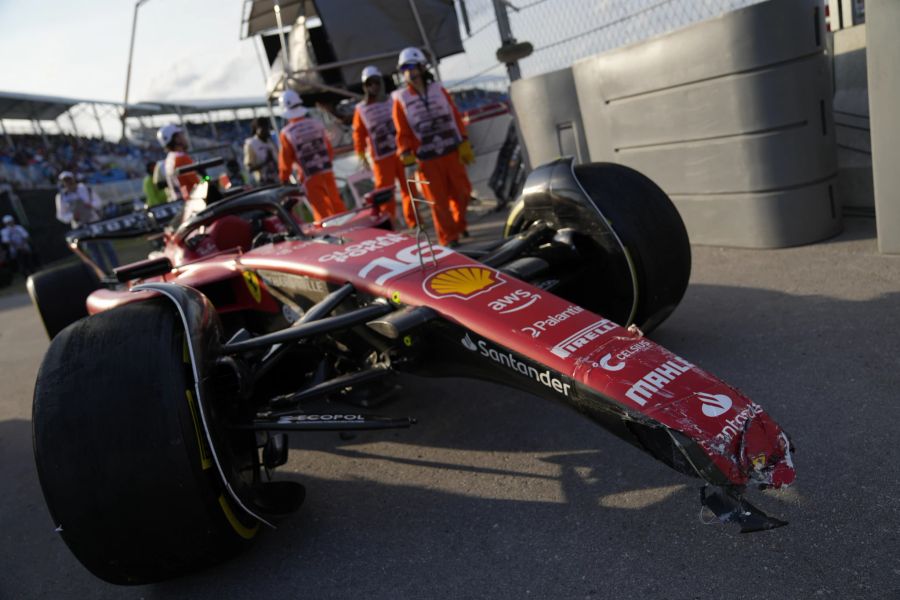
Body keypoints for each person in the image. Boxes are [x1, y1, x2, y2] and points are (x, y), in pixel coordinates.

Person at [392, 47, 475, 247]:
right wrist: (407, 155)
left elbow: (454, 115)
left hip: (451, 152)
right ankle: (449, 238)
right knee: (438, 202)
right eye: (404, 69)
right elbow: (401, 131)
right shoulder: (401, 99)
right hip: (427, 158)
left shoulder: (439, 90)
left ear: (421, 67)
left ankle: (459, 224)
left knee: (463, 192)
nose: (409, 72)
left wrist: (463, 140)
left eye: (412, 67)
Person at [352, 65, 413, 227]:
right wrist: (360, 154)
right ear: (365, 87)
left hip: (401, 152)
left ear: (381, 83)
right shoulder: (361, 109)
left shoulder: (393, 100)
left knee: (410, 187)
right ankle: (389, 225)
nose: (374, 87)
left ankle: (413, 221)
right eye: (370, 84)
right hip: (381, 158)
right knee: (385, 194)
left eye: (376, 82)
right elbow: (358, 134)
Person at [277, 90, 347, 221]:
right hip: (326, 171)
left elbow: (285, 161)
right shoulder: (316, 124)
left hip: (309, 177)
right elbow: (329, 150)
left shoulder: (287, 133)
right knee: (336, 203)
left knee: (322, 212)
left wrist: (284, 179)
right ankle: (352, 231)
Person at [55, 171, 118, 271]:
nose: (68, 182)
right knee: (94, 253)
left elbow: (98, 202)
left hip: (95, 222)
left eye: (69, 179)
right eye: (65, 181)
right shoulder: (61, 197)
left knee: (108, 247)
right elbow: (61, 215)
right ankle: (104, 275)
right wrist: (72, 216)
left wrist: (91, 205)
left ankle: (117, 270)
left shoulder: (85, 189)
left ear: (73, 179)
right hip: (80, 226)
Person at [157, 124, 200, 201]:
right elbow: (199, 184)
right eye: (181, 135)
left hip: (184, 202)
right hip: (195, 200)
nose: (184, 138)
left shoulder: (169, 159)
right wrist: (206, 178)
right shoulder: (181, 158)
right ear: (176, 139)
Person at [243, 117, 279, 185]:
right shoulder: (251, 144)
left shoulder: (271, 142)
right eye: (264, 128)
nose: (267, 131)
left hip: (278, 179)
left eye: (267, 128)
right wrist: (266, 162)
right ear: (256, 129)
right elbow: (249, 169)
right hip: (263, 183)